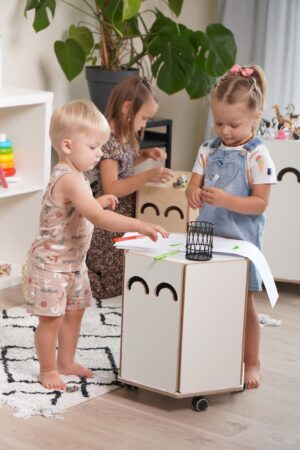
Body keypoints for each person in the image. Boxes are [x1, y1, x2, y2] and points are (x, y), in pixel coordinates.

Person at [24, 100, 169, 391]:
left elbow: (82, 208)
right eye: (93, 148)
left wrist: (96, 202)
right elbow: (98, 218)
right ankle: (49, 369)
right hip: (51, 267)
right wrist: (138, 225)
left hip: (73, 265)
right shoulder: (69, 179)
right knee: (51, 320)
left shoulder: (76, 176)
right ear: (67, 146)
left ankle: (66, 361)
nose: (100, 154)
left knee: (75, 312)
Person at [186, 64, 276, 389]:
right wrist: (194, 193)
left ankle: (251, 362)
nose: (224, 130)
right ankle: (209, 352)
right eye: (219, 122)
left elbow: (260, 203)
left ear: (255, 116)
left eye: (233, 124)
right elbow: (191, 186)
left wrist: (224, 200)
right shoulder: (207, 149)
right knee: (205, 298)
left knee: (242, 303)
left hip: (240, 242)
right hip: (206, 240)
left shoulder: (258, 156)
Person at [86, 76, 174, 300]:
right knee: (115, 285)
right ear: (127, 108)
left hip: (123, 216)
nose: (145, 124)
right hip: (110, 221)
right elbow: (112, 187)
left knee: (130, 275)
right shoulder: (109, 141)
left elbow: (121, 167)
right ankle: (81, 282)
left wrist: (144, 155)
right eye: (144, 117)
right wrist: (147, 175)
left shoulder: (122, 138)